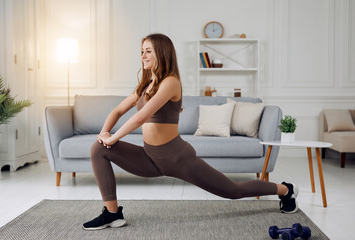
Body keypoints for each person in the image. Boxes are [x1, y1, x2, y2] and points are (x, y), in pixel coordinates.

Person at [82, 33, 298, 231]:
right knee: (98, 149)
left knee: (233, 191)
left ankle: (285, 190)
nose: (143, 55)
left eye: (148, 51)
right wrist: (104, 134)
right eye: (141, 51)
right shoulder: (146, 84)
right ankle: (112, 214)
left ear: (162, 53)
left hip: (178, 159)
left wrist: (114, 137)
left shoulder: (170, 83)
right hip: (149, 158)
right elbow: (118, 110)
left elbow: (141, 117)